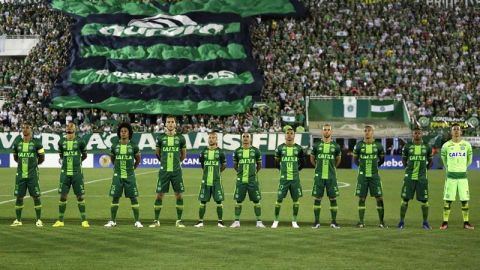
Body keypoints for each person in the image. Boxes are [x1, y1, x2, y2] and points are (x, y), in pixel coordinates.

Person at [149, 116, 187, 228]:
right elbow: (157, 153)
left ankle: (179, 221)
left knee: (179, 195)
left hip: (176, 171)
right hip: (164, 171)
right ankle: (156, 221)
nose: (170, 124)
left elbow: (184, 155)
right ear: (165, 124)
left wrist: (176, 163)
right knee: (159, 195)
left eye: (172, 122)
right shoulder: (160, 138)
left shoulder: (181, 138)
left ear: (175, 124)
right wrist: (164, 163)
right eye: (168, 122)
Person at [104, 122, 142, 228]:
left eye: (125, 131)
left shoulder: (134, 146)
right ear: (119, 133)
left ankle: (137, 221)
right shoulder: (115, 145)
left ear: (129, 133)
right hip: (118, 175)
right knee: (115, 198)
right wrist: (117, 168)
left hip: (130, 175)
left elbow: (138, 160)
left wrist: (132, 168)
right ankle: (112, 221)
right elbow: (112, 159)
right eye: (121, 131)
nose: (123, 133)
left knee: (133, 198)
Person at [52, 122, 90, 228]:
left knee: (80, 196)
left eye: (71, 127)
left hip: (77, 173)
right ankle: (60, 220)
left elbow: (85, 155)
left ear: (75, 129)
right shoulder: (61, 142)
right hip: (65, 173)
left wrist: (78, 162)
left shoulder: (80, 141)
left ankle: (84, 220)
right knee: (63, 196)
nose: (69, 128)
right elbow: (61, 155)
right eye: (67, 127)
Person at [440, 124, 474, 230]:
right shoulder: (446, 145)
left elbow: (470, 159)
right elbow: (444, 159)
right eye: (454, 129)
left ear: (461, 132)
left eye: (457, 129)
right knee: (448, 200)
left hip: (463, 177)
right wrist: (449, 168)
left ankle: (466, 223)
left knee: (464, 200)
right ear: (451, 132)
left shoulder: (467, 145)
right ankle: (445, 222)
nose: (456, 131)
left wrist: (463, 168)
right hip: (451, 177)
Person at [11, 123, 45, 227]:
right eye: (23, 128)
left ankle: (39, 220)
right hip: (20, 175)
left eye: (27, 128)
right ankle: (18, 220)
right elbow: (16, 157)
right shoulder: (17, 143)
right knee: (19, 197)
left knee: (36, 196)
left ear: (31, 130)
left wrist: (34, 165)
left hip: (32, 175)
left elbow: (42, 158)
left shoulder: (37, 143)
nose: (25, 130)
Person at [397, 128, 433, 229]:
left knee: (425, 201)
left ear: (422, 134)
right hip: (409, 178)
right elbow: (404, 160)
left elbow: (430, 161)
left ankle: (425, 222)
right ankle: (401, 222)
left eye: (419, 133)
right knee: (405, 199)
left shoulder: (427, 146)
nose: (417, 135)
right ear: (413, 135)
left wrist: (424, 170)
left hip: (422, 178)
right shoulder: (407, 147)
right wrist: (408, 170)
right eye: (415, 133)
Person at [230, 132, 266, 228]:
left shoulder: (256, 151)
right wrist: (240, 174)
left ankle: (259, 222)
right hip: (241, 180)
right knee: (238, 200)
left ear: (250, 139)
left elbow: (259, 166)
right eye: (244, 137)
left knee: (256, 201)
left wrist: (252, 174)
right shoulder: (237, 151)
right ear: (242, 138)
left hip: (252, 181)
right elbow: (235, 165)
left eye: (247, 137)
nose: (245, 138)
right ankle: (237, 221)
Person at [353, 125, 386, 228]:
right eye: (365, 131)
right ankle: (361, 222)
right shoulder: (358, 145)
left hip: (374, 176)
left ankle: (381, 222)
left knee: (379, 198)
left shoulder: (379, 146)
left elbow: (382, 159)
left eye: (369, 131)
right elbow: (355, 160)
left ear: (373, 133)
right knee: (362, 198)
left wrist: (374, 167)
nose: (367, 132)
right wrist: (362, 168)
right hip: (362, 176)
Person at [309, 124, 341, 229]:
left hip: (331, 177)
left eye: (328, 130)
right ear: (322, 132)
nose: (327, 131)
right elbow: (312, 159)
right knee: (317, 198)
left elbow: (338, 160)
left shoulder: (336, 146)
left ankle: (334, 222)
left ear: (331, 132)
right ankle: (316, 222)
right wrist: (318, 167)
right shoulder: (316, 145)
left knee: (333, 198)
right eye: (325, 130)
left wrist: (332, 168)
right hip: (319, 177)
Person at [271, 128, 304, 228]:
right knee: (279, 199)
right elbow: (276, 162)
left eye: (291, 133)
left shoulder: (299, 148)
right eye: (287, 133)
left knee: (296, 200)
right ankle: (276, 220)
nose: (289, 135)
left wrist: (296, 171)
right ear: (285, 136)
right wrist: (282, 171)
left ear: (294, 136)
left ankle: (294, 221)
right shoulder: (280, 148)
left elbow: (302, 163)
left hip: (295, 180)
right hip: (284, 179)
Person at [194, 132, 227, 228]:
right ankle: (200, 221)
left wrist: (217, 173)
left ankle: (220, 222)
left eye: (213, 138)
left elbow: (224, 165)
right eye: (210, 138)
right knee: (203, 201)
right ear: (208, 139)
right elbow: (202, 165)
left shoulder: (220, 152)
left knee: (219, 201)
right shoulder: (203, 151)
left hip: (216, 181)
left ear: (216, 140)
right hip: (205, 181)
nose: (211, 139)